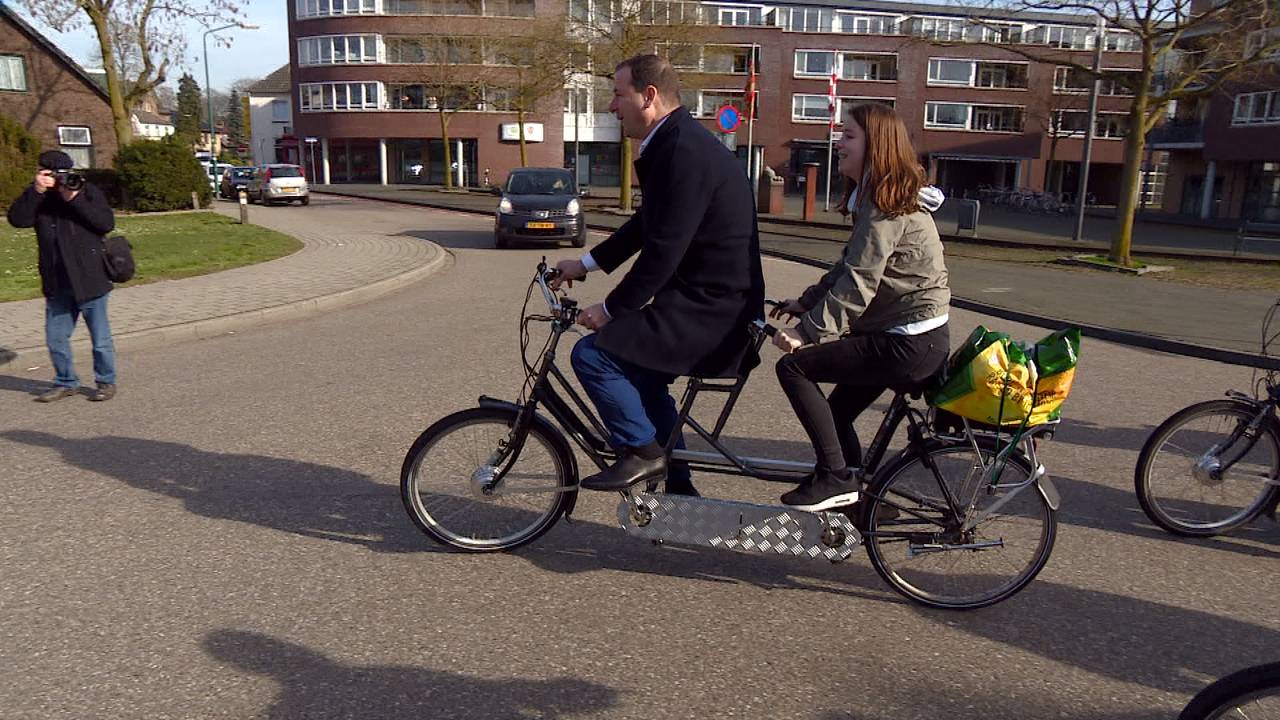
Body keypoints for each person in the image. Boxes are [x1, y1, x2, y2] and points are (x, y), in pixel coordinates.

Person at [552, 54, 764, 495]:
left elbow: (665, 249)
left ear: (648, 96)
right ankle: (678, 486)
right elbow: (648, 224)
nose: (612, 106)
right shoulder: (675, 143)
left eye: (617, 94)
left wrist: (611, 309)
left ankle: (644, 454)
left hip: (713, 311)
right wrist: (586, 265)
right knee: (643, 376)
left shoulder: (684, 151)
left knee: (593, 356)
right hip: (701, 302)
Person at [769, 103, 950, 512]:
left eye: (849, 135)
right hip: (911, 338)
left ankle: (836, 479)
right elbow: (851, 264)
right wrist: (807, 302)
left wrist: (807, 333)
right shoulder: (881, 196)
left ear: (877, 146)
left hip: (907, 342)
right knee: (836, 414)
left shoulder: (886, 204)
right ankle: (861, 498)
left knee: (794, 368)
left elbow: (860, 281)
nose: (839, 142)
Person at [7, 150, 119, 403]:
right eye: (51, 174)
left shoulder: (85, 190)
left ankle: (105, 381)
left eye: (63, 174)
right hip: (57, 280)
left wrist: (74, 198)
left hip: (90, 278)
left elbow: (105, 223)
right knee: (56, 339)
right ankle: (66, 381)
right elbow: (18, 219)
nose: (59, 180)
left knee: (100, 339)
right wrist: (35, 191)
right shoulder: (38, 197)